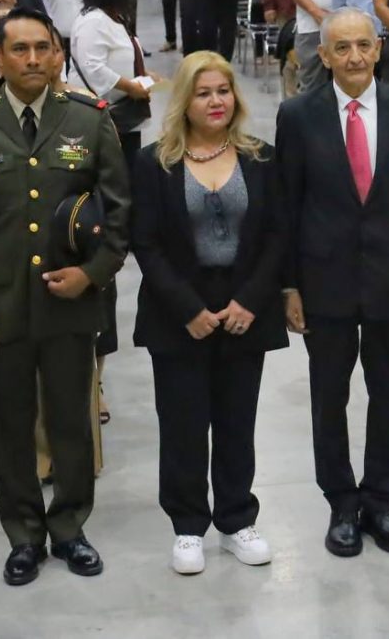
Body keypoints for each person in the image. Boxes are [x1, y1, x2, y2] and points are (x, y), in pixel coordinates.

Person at [0, 7, 131, 586]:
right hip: (1, 308)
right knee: (12, 422)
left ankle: (70, 526)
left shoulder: (90, 119)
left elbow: (120, 213)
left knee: (72, 421)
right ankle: (23, 533)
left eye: (42, 49)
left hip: (70, 304)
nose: (31, 60)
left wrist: (93, 274)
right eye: (18, 49)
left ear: (57, 55)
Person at [274, 8, 389, 558]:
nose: (353, 57)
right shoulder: (298, 116)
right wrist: (289, 285)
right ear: (323, 56)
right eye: (340, 48)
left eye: (363, 46)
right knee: (330, 396)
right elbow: (288, 206)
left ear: (378, 50)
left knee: (386, 393)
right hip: (324, 282)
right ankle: (341, 504)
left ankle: (381, 502)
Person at [131, 51, 287, 575]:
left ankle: (238, 518)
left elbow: (275, 237)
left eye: (223, 90)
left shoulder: (260, 157)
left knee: (237, 421)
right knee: (182, 423)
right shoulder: (155, 162)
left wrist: (251, 300)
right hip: (179, 312)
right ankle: (187, 527)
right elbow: (145, 244)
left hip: (245, 307)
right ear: (184, 101)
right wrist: (188, 309)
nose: (215, 101)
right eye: (203, 92)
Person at [71, 0, 155, 172]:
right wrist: (130, 87)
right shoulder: (93, 21)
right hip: (101, 112)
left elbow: (122, 54)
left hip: (123, 110)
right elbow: (93, 67)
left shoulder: (114, 17)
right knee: (112, 168)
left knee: (129, 165)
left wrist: (144, 75)